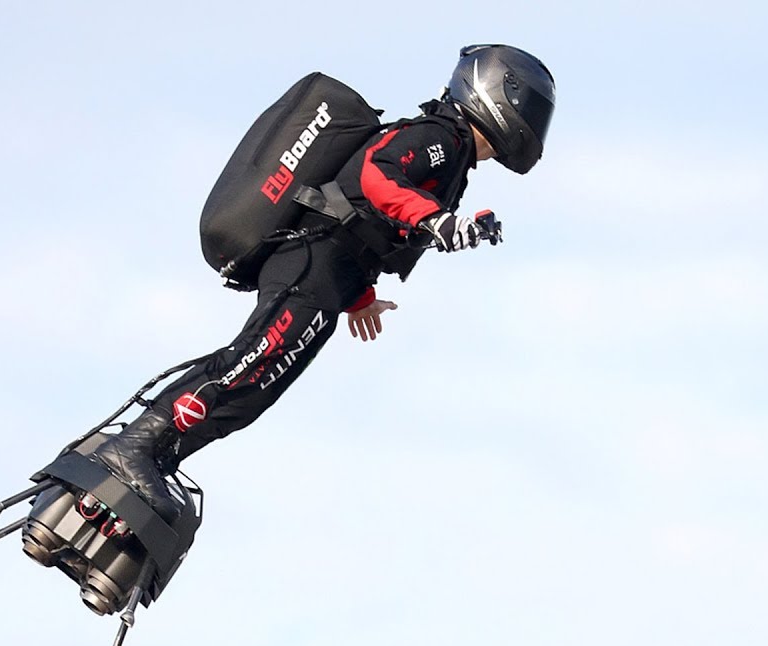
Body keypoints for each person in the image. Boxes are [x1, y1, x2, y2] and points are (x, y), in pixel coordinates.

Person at [91, 44, 556, 522]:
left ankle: (158, 457)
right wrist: (438, 221)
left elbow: (367, 220)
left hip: (330, 279)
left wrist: (361, 297)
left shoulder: (455, 159)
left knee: (255, 391)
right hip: (309, 262)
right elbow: (375, 176)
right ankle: (134, 447)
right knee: (253, 360)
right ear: (500, 92)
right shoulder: (442, 136)